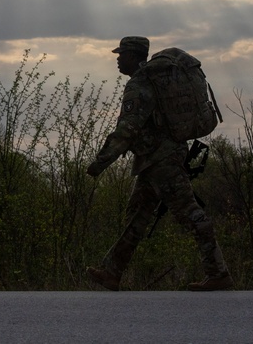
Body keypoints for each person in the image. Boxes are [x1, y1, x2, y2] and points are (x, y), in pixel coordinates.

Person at [85, 36, 232, 291]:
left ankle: (218, 273)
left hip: (162, 161)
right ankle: (112, 273)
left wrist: (100, 162)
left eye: (122, 54)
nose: (118, 59)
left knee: (190, 212)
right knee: (137, 217)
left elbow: (127, 128)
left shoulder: (139, 84)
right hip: (153, 160)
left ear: (134, 56)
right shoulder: (149, 80)